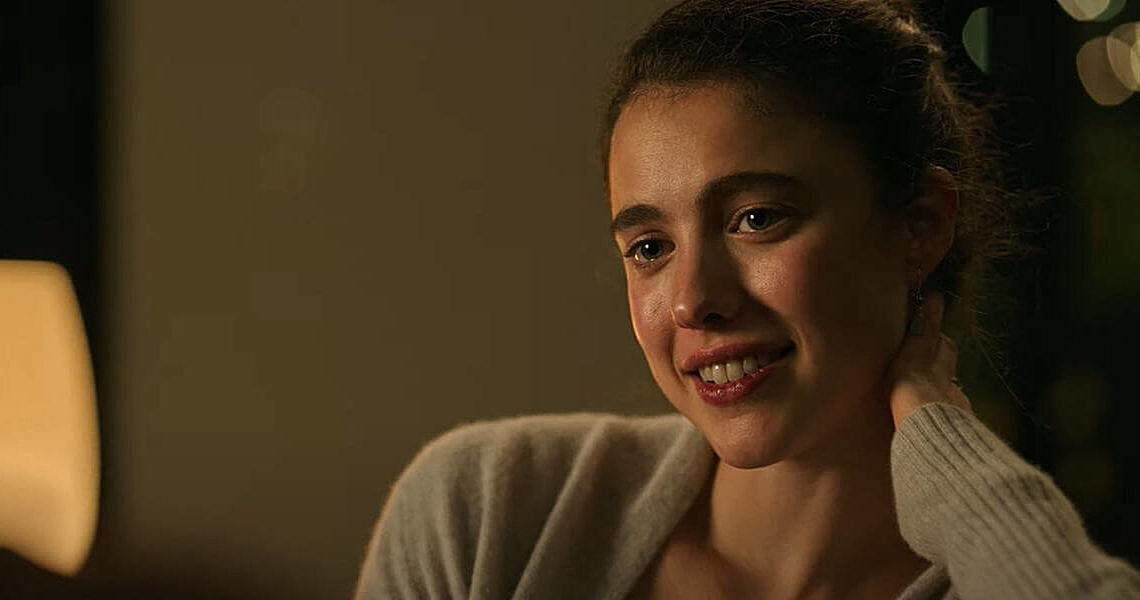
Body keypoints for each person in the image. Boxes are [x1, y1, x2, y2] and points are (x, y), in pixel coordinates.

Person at [354, 1, 1140, 598]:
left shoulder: (1000, 570)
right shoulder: (491, 514)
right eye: (650, 247)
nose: (694, 301)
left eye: (757, 218)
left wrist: (950, 455)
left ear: (921, 225)